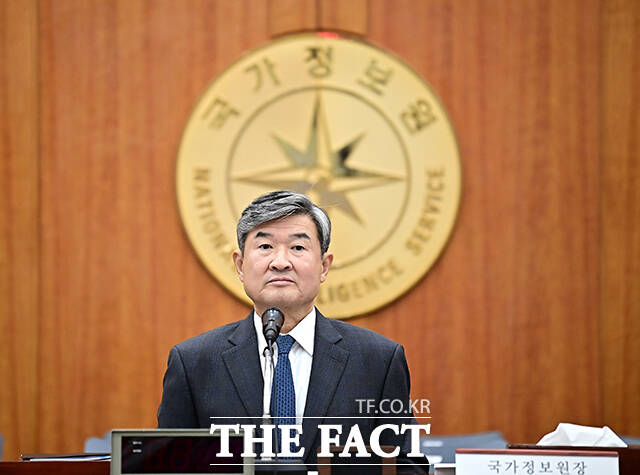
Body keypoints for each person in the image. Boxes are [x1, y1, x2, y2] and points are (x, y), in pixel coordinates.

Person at [157, 190, 426, 471]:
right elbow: (167, 467)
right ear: (240, 265)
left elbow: (408, 465)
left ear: (324, 266)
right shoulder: (194, 363)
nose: (280, 262)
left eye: (298, 248)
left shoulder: (377, 361)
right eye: (265, 247)